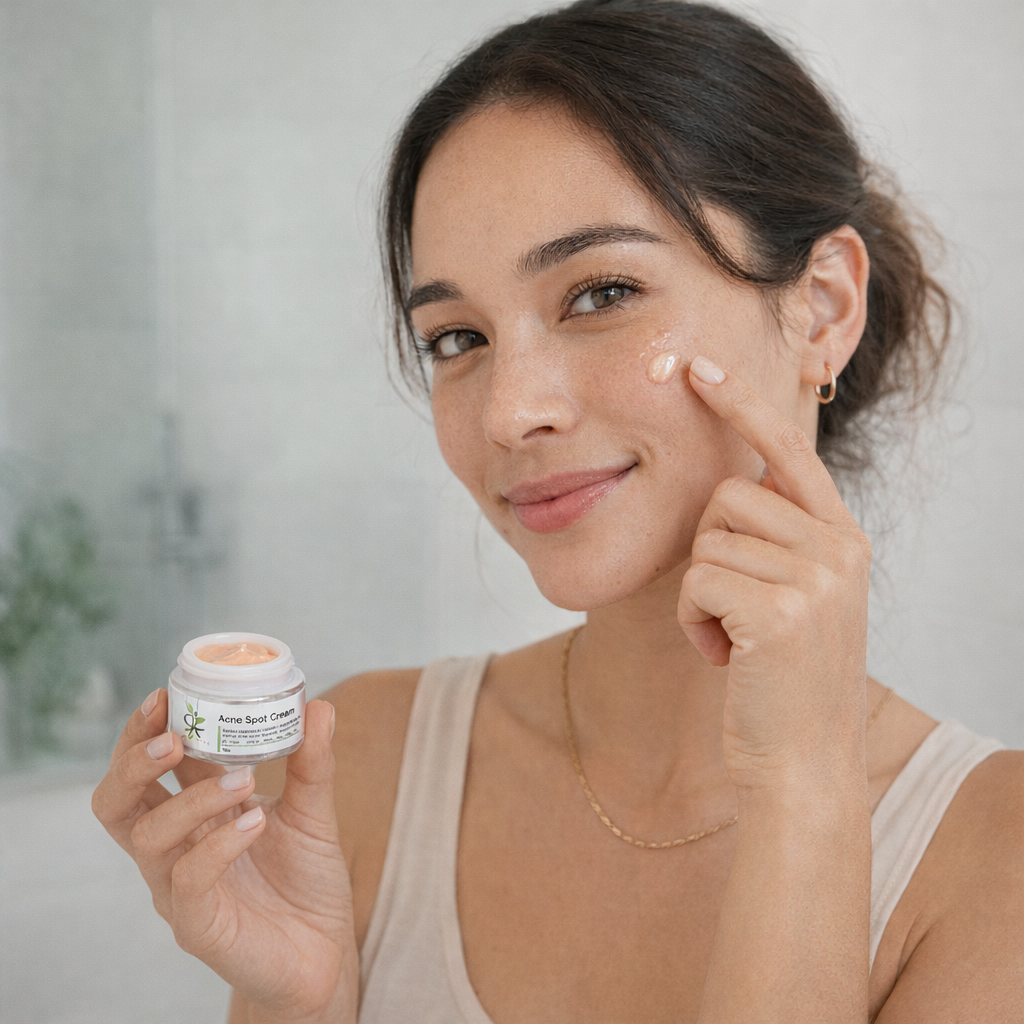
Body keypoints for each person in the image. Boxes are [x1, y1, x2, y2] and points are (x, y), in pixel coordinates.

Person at [91, 2, 1023, 1021]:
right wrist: (304, 1004)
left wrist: (802, 785)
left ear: (824, 308)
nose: (509, 410)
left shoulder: (990, 856)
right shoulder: (363, 763)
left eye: (601, 292)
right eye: (455, 339)